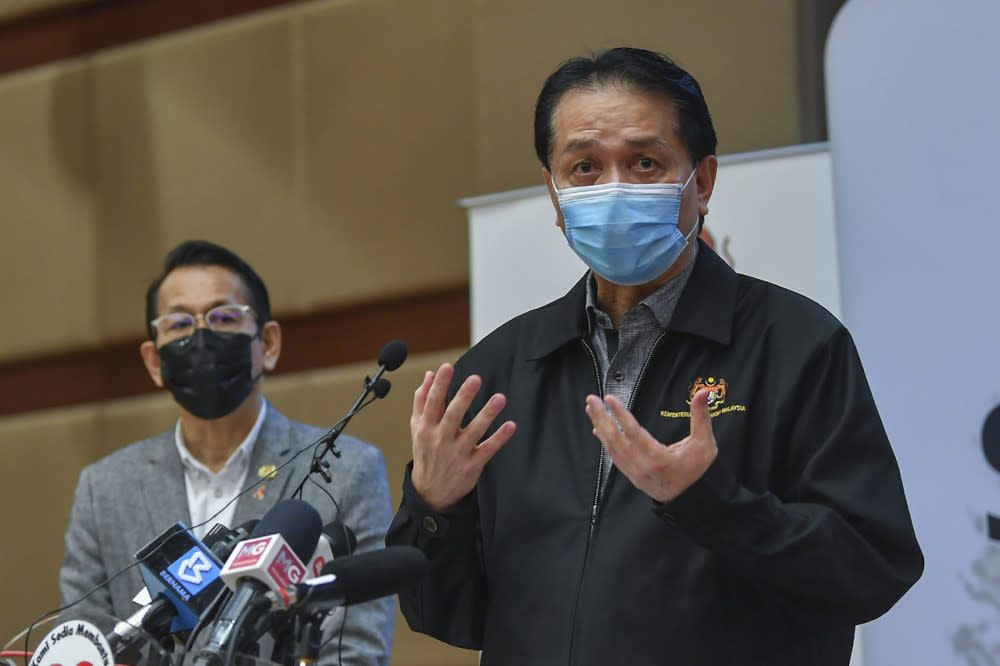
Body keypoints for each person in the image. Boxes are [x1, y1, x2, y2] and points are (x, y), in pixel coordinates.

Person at [386, 47, 924, 665]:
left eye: (644, 162)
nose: (613, 189)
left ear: (704, 181)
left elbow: (873, 567)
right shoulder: (504, 368)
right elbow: (446, 616)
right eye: (584, 167)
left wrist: (709, 504)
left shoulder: (796, 342)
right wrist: (436, 508)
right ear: (554, 194)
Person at [60, 240, 395, 665]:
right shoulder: (103, 488)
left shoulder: (349, 471)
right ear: (153, 361)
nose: (201, 338)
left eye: (223, 318)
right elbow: (80, 645)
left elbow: (356, 653)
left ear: (268, 343)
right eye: (179, 324)